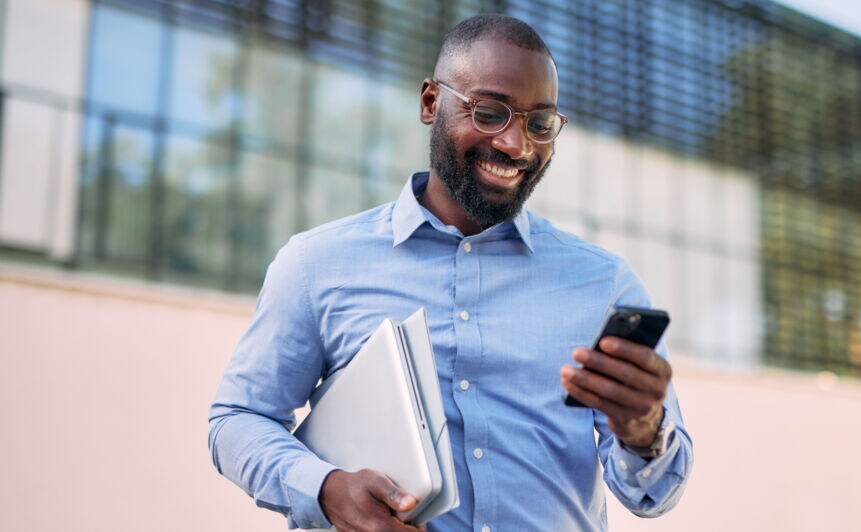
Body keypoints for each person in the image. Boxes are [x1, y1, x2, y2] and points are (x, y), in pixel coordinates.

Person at [208, 14, 693, 532]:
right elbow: (237, 421)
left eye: (540, 123)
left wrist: (644, 434)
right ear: (430, 102)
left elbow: (653, 496)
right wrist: (325, 491)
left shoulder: (603, 287)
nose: (515, 144)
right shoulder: (317, 264)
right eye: (489, 112)